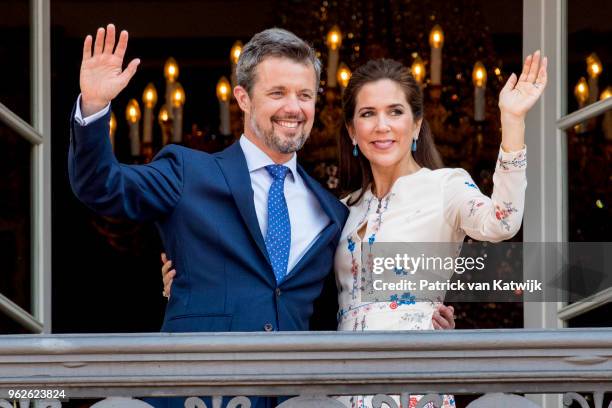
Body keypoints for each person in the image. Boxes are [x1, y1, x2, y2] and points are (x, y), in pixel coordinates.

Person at [69, 24, 456, 408]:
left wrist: (425, 314)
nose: (294, 107)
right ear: (243, 98)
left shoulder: (335, 212)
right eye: (277, 93)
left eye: (305, 95)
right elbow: (101, 186)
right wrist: (94, 107)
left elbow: (346, 305)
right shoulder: (187, 172)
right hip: (196, 397)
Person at [162, 54, 547, 408]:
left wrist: (512, 123)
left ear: (416, 125)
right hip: (341, 387)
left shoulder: (445, 186)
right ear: (351, 131)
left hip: (413, 383)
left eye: (395, 112)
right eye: (368, 114)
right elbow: (282, 279)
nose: (382, 126)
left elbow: (503, 221)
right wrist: (195, 279)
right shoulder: (340, 210)